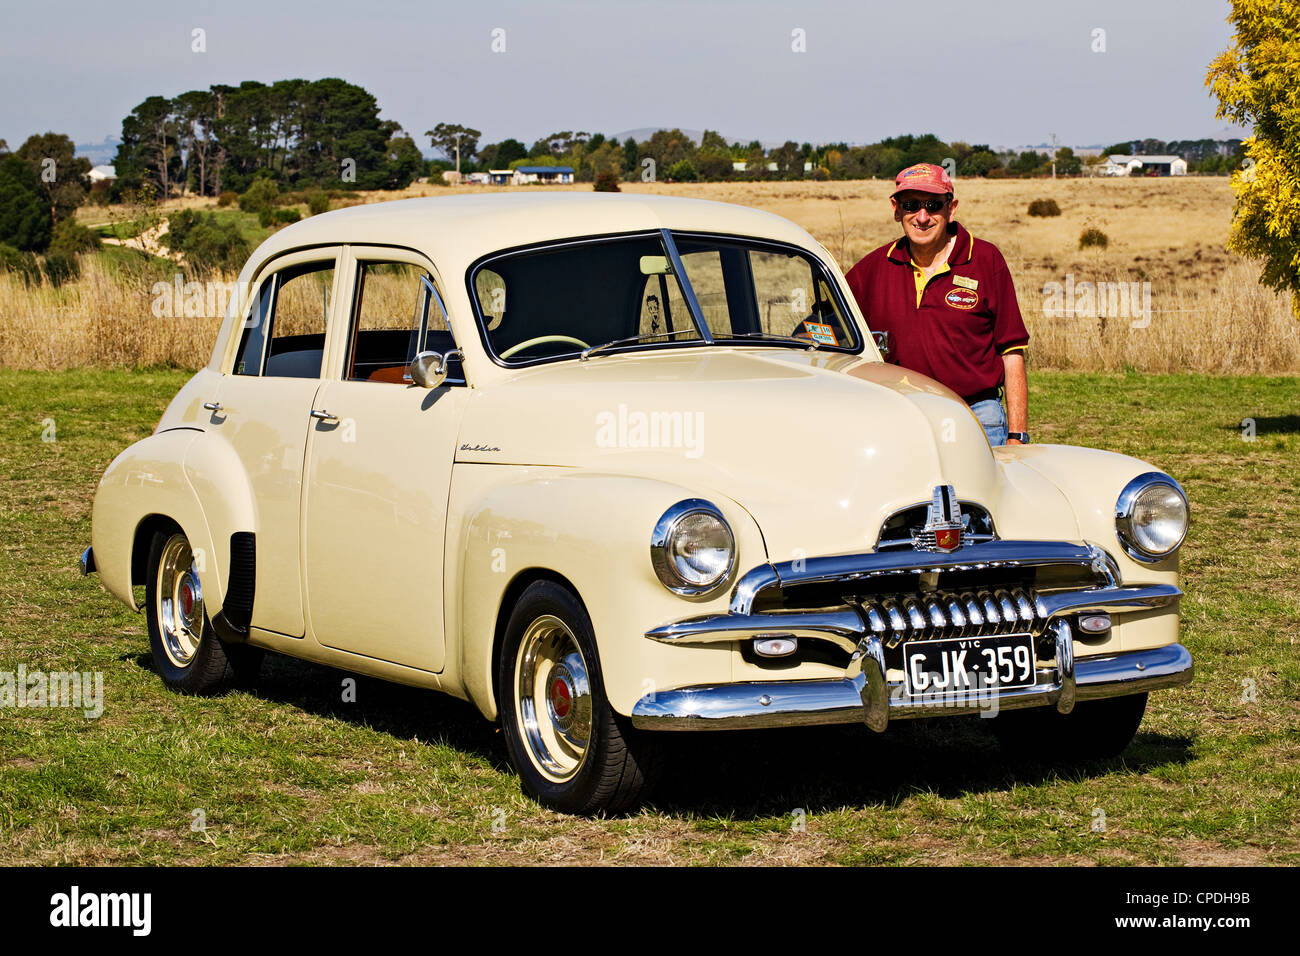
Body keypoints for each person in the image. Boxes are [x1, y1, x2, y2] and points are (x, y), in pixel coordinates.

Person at [845, 163, 1029, 446]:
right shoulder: (872, 268)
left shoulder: (985, 260)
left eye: (932, 205)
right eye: (911, 205)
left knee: (980, 491)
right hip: (900, 416)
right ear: (896, 209)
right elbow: (827, 329)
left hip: (977, 415)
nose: (922, 217)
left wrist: (1017, 436)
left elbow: (1011, 352)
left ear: (951, 208)